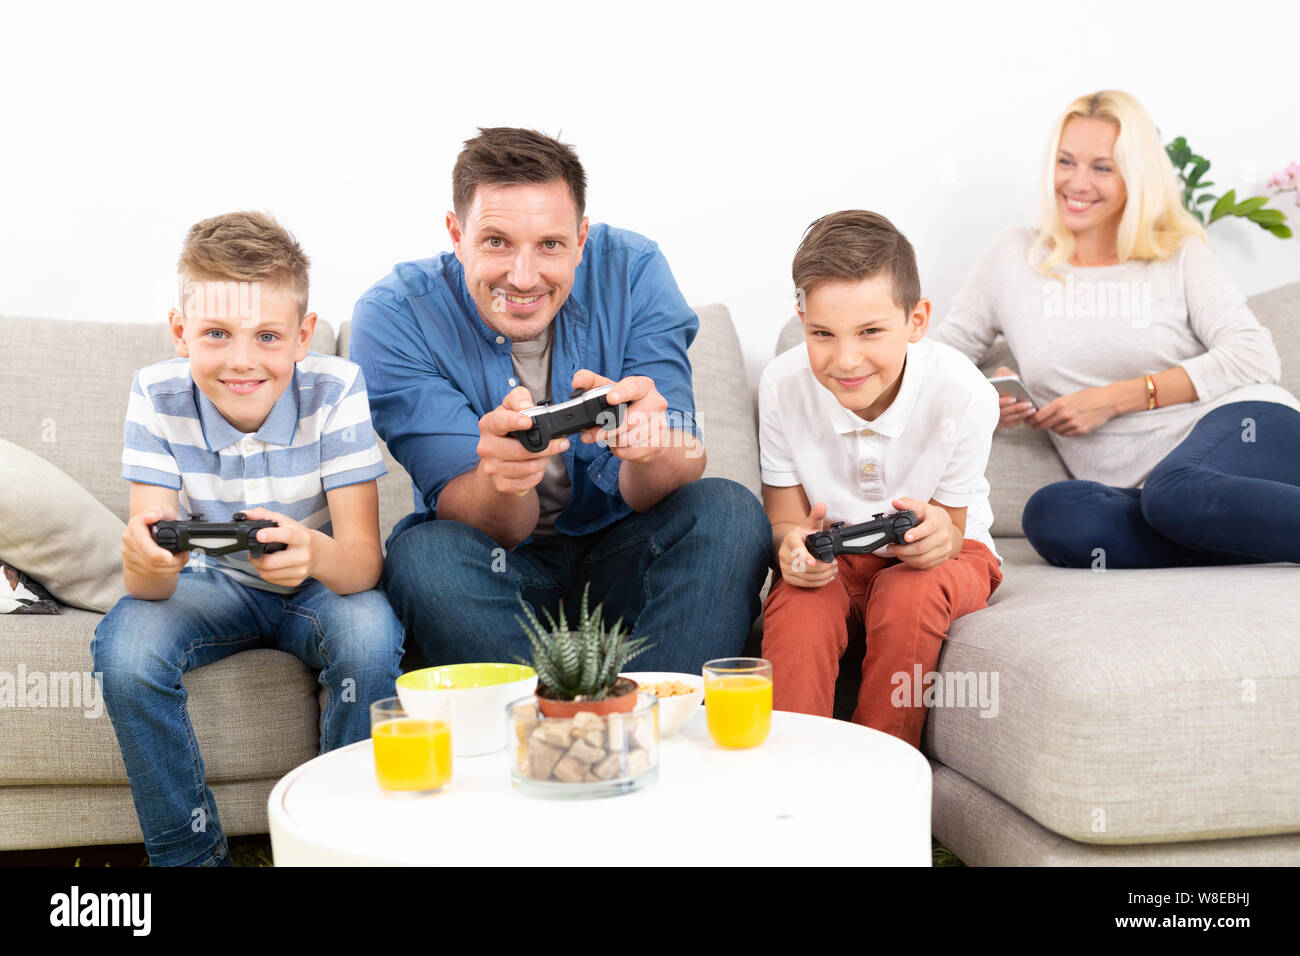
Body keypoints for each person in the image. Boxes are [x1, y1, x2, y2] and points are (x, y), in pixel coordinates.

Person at [349, 128, 769, 673]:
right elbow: (490, 523)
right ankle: (551, 725)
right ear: (456, 234)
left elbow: (678, 467)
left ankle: (668, 723)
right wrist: (504, 477)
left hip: (624, 553)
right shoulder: (394, 314)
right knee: (422, 556)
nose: (523, 279)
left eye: (550, 244)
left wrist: (649, 448)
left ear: (581, 237)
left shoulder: (636, 270)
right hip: (495, 566)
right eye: (496, 241)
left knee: (729, 511)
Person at [91, 212, 404, 866]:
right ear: (180, 333)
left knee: (371, 636)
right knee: (125, 649)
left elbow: (361, 564)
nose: (242, 361)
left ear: (302, 336)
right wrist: (145, 557)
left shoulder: (336, 388)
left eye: (266, 336)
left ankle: (333, 845)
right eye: (215, 334)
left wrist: (313, 553)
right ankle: (187, 858)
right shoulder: (155, 393)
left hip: (319, 582)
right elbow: (150, 584)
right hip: (211, 584)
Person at [932, 89, 1300, 568]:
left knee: (1176, 493)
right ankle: (1243, 533)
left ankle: (1209, 517)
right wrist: (982, 398)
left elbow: (1254, 355)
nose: (1076, 182)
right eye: (1066, 162)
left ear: (1136, 177)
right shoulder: (1013, 257)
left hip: (1245, 428)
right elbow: (935, 364)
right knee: (1054, 515)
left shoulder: (1179, 254)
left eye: (1101, 167)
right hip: (1144, 493)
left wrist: (1113, 399)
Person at [758, 210, 1003, 749]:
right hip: (835, 553)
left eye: (870, 332)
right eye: (823, 333)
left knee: (908, 592)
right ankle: (788, 775)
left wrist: (938, 535)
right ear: (802, 322)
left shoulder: (964, 393)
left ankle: (880, 775)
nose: (846, 359)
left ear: (917, 321)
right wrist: (792, 546)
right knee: (801, 602)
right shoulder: (781, 384)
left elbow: (952, 533)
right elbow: (783, 520)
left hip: (947, 555)